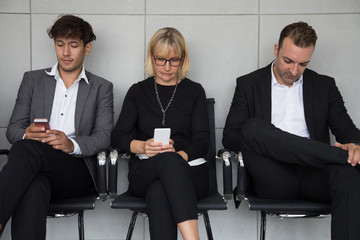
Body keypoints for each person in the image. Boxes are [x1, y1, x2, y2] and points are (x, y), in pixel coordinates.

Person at [223, 21, 360, 240]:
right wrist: (272, 141)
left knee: (349, 174)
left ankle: (335, 157)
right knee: (252, 127)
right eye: (288, 61)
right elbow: (230, 137)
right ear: (276, 50)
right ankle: (335, 155)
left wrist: (356, 146)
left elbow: (350, 133)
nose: (294, 71)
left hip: (315, 174)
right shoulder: (249, 84)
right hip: (274, 177)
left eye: (303, 64)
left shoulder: (324, 86)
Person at [0, 14, 114, 239]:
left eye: (73, 45)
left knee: (23, 150)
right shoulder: (32, 80)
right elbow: (13, 129)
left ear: (87, 48)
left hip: (75, 171)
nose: (65, 52)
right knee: (34, 186)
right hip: (34, 166)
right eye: (60, 44)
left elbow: (103, 137)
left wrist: (70, 144)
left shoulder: (101, 87)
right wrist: (26, 133)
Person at [111, 27, 210, 240]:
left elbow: (202, 140)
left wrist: (178, 157)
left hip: (190, 172)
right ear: (151, 58)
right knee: (165, 166)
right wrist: (143, 146)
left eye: (174, 60)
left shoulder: (195, 91)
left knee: (158, 191)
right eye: (160, 60)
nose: (167, 67)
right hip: (145, 170)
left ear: (183, 59)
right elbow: (118, 136)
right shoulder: (138, 92)